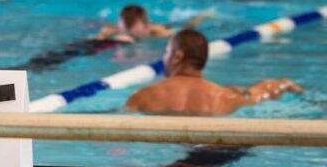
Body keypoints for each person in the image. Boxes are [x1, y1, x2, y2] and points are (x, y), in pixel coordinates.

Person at [125, 29, 302, 115]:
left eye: (166, 52)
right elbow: (266, 91)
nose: (164, 58)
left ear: (178, 56)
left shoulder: (143, 95)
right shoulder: (225, 97)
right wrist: (284, 83)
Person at [93, 4, 210, 43]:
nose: (126, 28)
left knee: (187, 26)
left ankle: (201, 16)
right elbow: (96, 40)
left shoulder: (157, 32)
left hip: (161, 28)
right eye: (125, 25)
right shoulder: (113, 29)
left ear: (146, 25)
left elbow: (181, 35)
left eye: (132, 25)